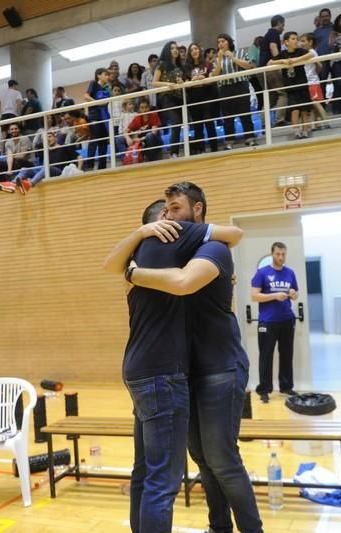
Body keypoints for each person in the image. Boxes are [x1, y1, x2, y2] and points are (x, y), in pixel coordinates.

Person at [126, 182, 263, 533]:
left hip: (220, 367)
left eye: (174, 208)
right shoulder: (177, 252)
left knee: (222, 460)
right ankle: (219, 527)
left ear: (197, 211)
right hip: (185, 372)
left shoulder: (214, 248)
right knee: (202, 458)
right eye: (166, 210)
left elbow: (186, 283)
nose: (168, 215)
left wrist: (135, 273)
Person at [251, 242, 299, 403]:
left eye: (283, 254)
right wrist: (274, 296)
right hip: (268, 322)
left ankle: (286, 387)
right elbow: (255, 296)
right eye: (278, 254)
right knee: (266, 356)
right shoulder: (262, 273)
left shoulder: (290, 273)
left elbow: (295, 294)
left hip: (286, 319)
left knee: (286, 354)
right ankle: (264, 389)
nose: (281, 257)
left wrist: (293, 294)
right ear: (272, 254)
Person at [214, 33, 257, 149]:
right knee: (227, 116)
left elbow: (249, 66)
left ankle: (250, 138)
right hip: (224, 88)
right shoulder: (218, 58)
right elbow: (215, 75)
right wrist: (219, 60)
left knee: (245, 113)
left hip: (240, 85)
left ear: (229, 42)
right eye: (219, 42)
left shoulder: (240, 52)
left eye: (223, 41)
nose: (220, 44)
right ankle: (229, 141)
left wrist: (232, 57)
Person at [269, 32, 313, 139]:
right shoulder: (283, 54)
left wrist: (295, 60)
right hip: (291, 86)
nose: (296, 41)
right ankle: (296, 131)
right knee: (294, 109)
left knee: (304, 109)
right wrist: (283, 61)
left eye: (296, 39)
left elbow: (311, 54)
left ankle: (305, 130)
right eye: (293, 39)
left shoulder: (300, 51)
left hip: (302, 83)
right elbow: (270, 62)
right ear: (286, 42)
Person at [184, 42, 219, 154]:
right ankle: (201, 150)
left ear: (199, 50)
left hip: (207, 96)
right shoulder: (186, 68)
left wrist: (201, 78)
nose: (194, 51)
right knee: (197, 125)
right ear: (189, 53)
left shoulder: (207, 64)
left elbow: (210, 79)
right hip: (193, 99)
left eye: (196, 49)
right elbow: (186, 83)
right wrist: (195, 80)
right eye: (191, 50)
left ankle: (214, 148)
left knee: (209, 121)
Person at [152, 41, 185, 155]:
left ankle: (176, 151)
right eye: (172, 48)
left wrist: (182, 82)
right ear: (167, 50)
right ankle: (173, 153)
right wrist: (166, 84)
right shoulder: (162, 64)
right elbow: (154, 82)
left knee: (179, 123)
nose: (175, 50)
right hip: (167, 97)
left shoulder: (179, 67)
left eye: (176, 48)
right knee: (176, 122)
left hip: (179, 97)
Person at [260, 15, 289, 126]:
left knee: (271, 97)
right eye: (283, 25)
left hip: (262, 70)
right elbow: (273, 47)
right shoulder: (274, 33)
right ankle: (280, 120)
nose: (283, 28)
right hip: (271, 68)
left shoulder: (267, 34)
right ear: (279, 23)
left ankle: (264, 123)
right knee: (282, 93)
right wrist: (279, 63)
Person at [83, 67, 112, 170]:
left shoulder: (106, 89)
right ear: (98, 75)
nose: (107, 77)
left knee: (103, 142)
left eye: (108, 75)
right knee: (94, 139)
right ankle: (89, 165)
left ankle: (102, 166)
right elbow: (86, 96)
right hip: (95, 116)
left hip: (104, 117)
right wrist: (97, 102)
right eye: (105, 74)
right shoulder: (93, 84)